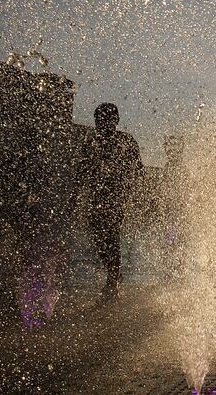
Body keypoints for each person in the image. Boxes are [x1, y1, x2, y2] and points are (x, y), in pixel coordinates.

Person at [84, 102, 143, 298]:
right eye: (98, 121)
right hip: (96, 198)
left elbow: (139, 169)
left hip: (117, 197)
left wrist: (138, 193)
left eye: (105, 120)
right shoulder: (91, 142)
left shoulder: (126, 141)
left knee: (112, 236)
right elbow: (80, 173)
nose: (101, 125)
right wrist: (73, 199)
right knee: (100, 240)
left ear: (115, 121)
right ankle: (114, 273)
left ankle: (112, 281)